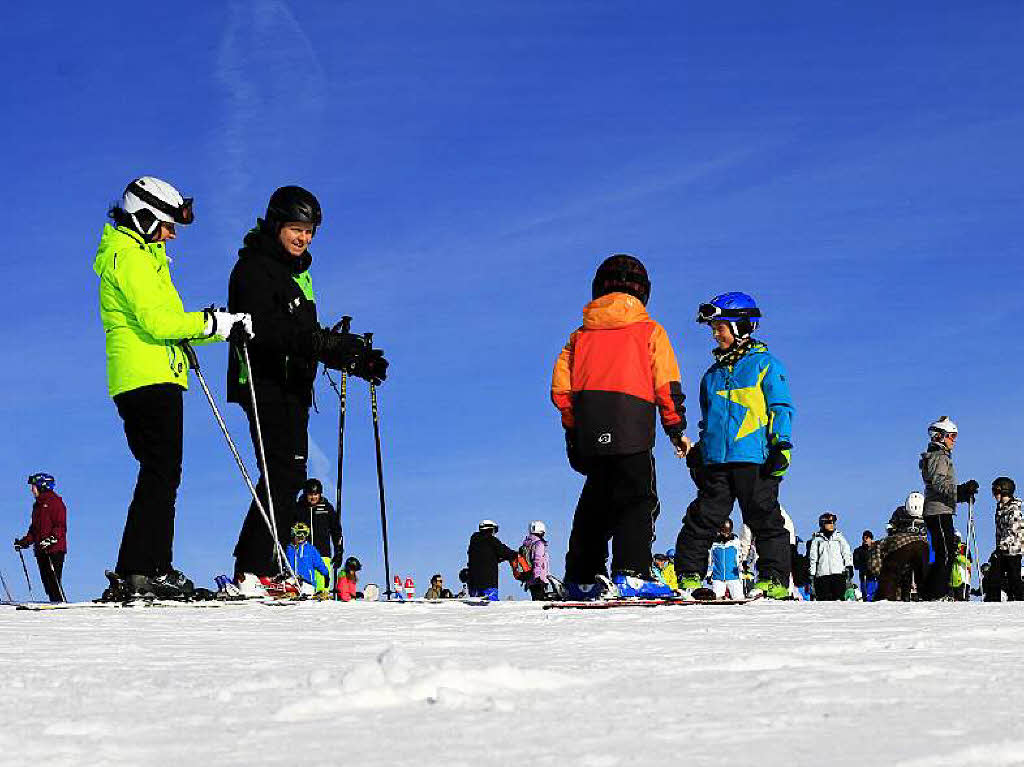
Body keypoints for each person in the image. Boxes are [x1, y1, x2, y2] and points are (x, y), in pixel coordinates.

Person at [95, 176, 251, 598]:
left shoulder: (146, 256)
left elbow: (171, 322)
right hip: (144, 376)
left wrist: (219, 326)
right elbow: (160, 323)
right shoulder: (128, 258)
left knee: (163, 472)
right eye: (166, 224)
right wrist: (213, 324)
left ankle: (146, 567)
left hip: (157, 372)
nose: (172, 233)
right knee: (161, 471)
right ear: (143, 217)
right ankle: (143, 569)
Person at [227, 186, 388, 581]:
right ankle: (254, 568)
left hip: (294, 383)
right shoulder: (254, 268)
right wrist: (325, 344)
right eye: (297, 229)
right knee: (282, 472)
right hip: (264, 378)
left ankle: (258, 566)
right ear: (277, 224)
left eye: (310, 230)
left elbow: (307, 335)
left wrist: (351, 357)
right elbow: (267, 329)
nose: (304, 238)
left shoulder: (300, 274)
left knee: (288, 475)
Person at [551, 255, 688, 600]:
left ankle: (582, 577)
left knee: (595, 502)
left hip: (590, 427)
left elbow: (561, 389)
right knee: (637, 499)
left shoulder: (579, 337)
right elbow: (666, 385)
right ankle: (633, 572)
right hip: (632, 426)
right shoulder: (650, 331)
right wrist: (675, 428)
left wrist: (573, 429)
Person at [673, 292, 794, 600]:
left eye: (720, 327)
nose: (715, 334)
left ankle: (774, 578)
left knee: (763, 517)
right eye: (713, 328)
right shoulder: (711, 376)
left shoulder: (765, 365)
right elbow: (708, 421)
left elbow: (780, 407)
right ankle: (688, 574)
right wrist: (700, 450)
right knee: (703, 515)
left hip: (754, 457)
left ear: (741, 326)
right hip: (717, 460)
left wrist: (781, 447)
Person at [919, 416, 978, 601]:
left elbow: (941, 485)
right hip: (938, 511)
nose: (954, 440)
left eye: (955, 436)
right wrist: (960, 491)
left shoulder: (940, 456)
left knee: (946, 551)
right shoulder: (938, 456)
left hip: (941, 509)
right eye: (951, 436)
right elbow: (938, 484)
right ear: (940, 436)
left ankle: (931, 592)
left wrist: (961, 494)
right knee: (945, 552)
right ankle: (935, 594)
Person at [14, 474, 68, 602]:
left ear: (42, 486)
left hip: (54, 549)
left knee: (54, 582)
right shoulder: (37, 506)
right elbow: (34, 529)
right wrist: (24, 542)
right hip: (41, 550)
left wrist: (51, 539)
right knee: (47, 585)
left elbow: (60, 525)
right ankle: (55, 604)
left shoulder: (55, 502)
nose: (32, 489)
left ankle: (61, 605)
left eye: (33, 486)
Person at [294, 478, 342, 592]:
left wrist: (339, 550)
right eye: (310, 494)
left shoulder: (326, 508)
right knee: (306, 588)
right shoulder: (298, 508)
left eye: (316, 494)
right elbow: (290, 529)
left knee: (322, 587)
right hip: (303, 554)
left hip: (323, 553)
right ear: (305, 494)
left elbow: (336, 530)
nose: (313, 497)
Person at [466, 520, 517, 600]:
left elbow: (483, 557)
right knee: (491, 605)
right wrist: (515, 554)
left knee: (475, 605)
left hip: (473, 581)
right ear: (490, 529)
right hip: (488, 581)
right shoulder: (491, 540)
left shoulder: (474, 542)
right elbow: (503, 551)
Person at [807, 512, 853, 601]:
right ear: (823, 524)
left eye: (833, 522)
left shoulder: (839, 538)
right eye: (829, 522)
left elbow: (846, 553)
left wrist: (849, 566)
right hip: (822, 575)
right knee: (824, 600)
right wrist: (812, 574)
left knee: (839, 599)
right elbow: (813, 558)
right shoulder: (817, 540)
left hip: (838, 574)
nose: (832, 525)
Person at [992, 476, 1024, 601]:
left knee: (1013, 578)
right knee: (995, 576)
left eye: (996, 491)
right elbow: (1000, 532)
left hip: (1013, 550)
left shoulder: (1014, 510)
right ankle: (993, 601)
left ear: (1005, 491)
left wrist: (1001, 547)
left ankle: (1018, 600)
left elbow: (1013, 531)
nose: (994, 495)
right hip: (1003, 549)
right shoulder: (1001, 509)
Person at [285, 522, 330, 596]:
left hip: (307, 582)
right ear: (294, 533)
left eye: (304, 533)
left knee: (306, 590)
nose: (302, 536)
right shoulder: (289, 549)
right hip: (293, 581)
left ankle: (307, 595)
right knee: (287, 586)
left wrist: (326, 574)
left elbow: (319, 563)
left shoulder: (310, 549)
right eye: (299, 533)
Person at [709, 519, 744, 600]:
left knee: (739, 599)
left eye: (727, 532)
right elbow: (709, 560)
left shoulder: (736, 543)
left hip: (734, 577)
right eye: (723, 532)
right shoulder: (714, 544)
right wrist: (709, 573)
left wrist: (743, 565)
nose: (725, 535)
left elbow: (741, 557)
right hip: (718, 578)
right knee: (717, 599)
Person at [520, 520, 551, 601]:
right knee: (539, 603)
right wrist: (538, 577)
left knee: (535, 599)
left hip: (529, 578)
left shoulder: (527, 544)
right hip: (538, 579)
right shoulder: (539, 544)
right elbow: (537, 561)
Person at [853, 530, 878, 602]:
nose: (865, 539)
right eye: (864, 537)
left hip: (874, 576)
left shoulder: (876, 549)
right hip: (864, 575)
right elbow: (856, 564)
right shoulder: (858, 550)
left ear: (871, 539)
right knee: (866, 595)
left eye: (867, 537)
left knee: (873, 595)